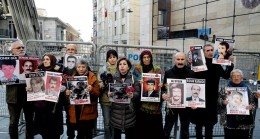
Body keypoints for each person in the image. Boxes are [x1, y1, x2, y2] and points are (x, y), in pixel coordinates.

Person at [191, 44, 234, 139]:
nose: (210, 52)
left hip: (212, 99)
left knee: (209, 126)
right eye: (207, 51)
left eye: (211, 50)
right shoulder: (198, 64)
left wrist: (230, 64)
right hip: (199, 99)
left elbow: (226, 76)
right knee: (198, 125)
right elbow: (191, 79)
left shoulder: (217, 65)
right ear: (203, 52)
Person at [5, 40, 34, 139]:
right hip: (13, 96)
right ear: (12, 50)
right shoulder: (6, 61)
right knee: (13, 122)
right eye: (18, 48)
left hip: (29, 95)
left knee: (30, 120)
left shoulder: (31, 61)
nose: (21, 49)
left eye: (22, 47)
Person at [162, 52, 194, 139]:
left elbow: (194, 88)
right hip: (171, 106)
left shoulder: (191, 73)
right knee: (167, 129)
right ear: (174, 60)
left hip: (186, 107)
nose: (180, 61)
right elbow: (164, 89)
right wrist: (164, 95)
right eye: (178, 59)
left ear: (186, 60)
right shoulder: (168, 73)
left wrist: (194, 102)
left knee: (185, 130)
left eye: (182, 59)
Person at [132, 50, 163, 139]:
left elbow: (161, 83)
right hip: (141, 105)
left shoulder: (157, 69)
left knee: (154, 131)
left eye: (148, 57)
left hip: (155, 106)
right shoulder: (137, 69)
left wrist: (160, 85)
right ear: (141, 59)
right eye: (144, 57)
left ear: (151, 58)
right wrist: (138, 82)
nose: (146, 59)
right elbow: (133, 83)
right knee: (141, 130)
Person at [66, 58, 100, 139]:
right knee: (80, 133)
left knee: (88, 133)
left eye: (83, 67)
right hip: (76, 109)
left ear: (87, 67)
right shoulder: (72, 77)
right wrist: (66, 93)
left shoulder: (92, 77)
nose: (81, 69)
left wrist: (91, 90)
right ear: (76, 67)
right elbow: (69, 93)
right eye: (79, 67)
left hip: (88, 110)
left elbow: (97, 94)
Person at [33, 54, 64, 139]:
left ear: (52, 61)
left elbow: (63, 83)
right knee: (44, 128)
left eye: (47, 59)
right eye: (44, 59)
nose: (45, 61)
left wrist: (61, 87)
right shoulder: (38, 70)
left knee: (55, 128)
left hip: (54, 105)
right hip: (42, 105)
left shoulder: (59, 70)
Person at [108, 57, 140, 139]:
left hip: (129, 113)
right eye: (120, 64)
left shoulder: (133, 79)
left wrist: (132, 95)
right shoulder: (113, 78)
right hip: (116, 113)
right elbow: (109, 91)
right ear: (118, 66)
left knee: (129, 135)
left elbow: (138, 92)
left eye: (124, 64)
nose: (122, 66)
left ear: (128, 67)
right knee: (116, 135)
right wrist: (109, 94)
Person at [219, 69, 256, 139]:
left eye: (238, 76)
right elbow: (218, 101)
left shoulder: (248, 89)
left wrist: (251, 107)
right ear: (231, 78)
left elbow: (253, 102)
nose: (236, 78)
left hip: (244, 122)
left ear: (242, 78)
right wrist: (222, 102)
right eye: (234, 76)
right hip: (229, 121)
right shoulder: (224, 89)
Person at [97, 49, 118, 139]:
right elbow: (98, 83)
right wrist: (103, 84)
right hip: (105, 100)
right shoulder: (103, 69)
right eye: (110, 57)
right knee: (107, 123)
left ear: (117, 58)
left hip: (117, 100)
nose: (112, 59)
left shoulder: (120, 68)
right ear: (107, 59)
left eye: (114, 57)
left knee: (115, 123)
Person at [60, 44, 78, 139]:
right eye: (69, 49)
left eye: (73, 49)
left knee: (79, 116)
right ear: (66, 51)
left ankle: (79, 135)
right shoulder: (60, 65)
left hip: (78, 96)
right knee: (68, 116)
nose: (70, 51)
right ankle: (70, 135)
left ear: (76, 51)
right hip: (66, 97)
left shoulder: (81, 64)